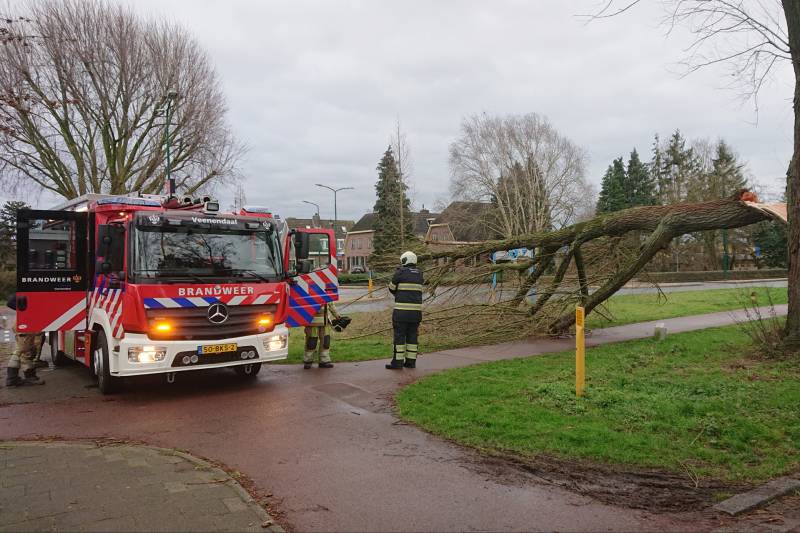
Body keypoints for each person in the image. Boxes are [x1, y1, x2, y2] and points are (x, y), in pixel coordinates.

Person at [386, 251, 423, 370]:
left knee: (399, 337)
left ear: (404, 260)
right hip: (416, 313)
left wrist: (399, 294)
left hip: (401, 313)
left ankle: (397, 363)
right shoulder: (420, 274)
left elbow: (391, 288)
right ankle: (411, 362)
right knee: (413, 337)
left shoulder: (400, 273)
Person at [5, 294, 45, 387]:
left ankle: (25, 377)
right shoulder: (26, 290)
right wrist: (24, 309)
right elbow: (10, 302)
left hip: (27, 324)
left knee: (27, 351)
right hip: (24, 325)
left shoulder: (30, 290)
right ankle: (13, 379)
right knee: (22, 351)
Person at [303, 301, 342, 369]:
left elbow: (331, 305)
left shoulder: (326, 292)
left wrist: (337, 316)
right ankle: (308, 361)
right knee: (311, 342)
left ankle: (324, 361)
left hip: (324, 322)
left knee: (325, 342)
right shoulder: (307, 292)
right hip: (312, 322)